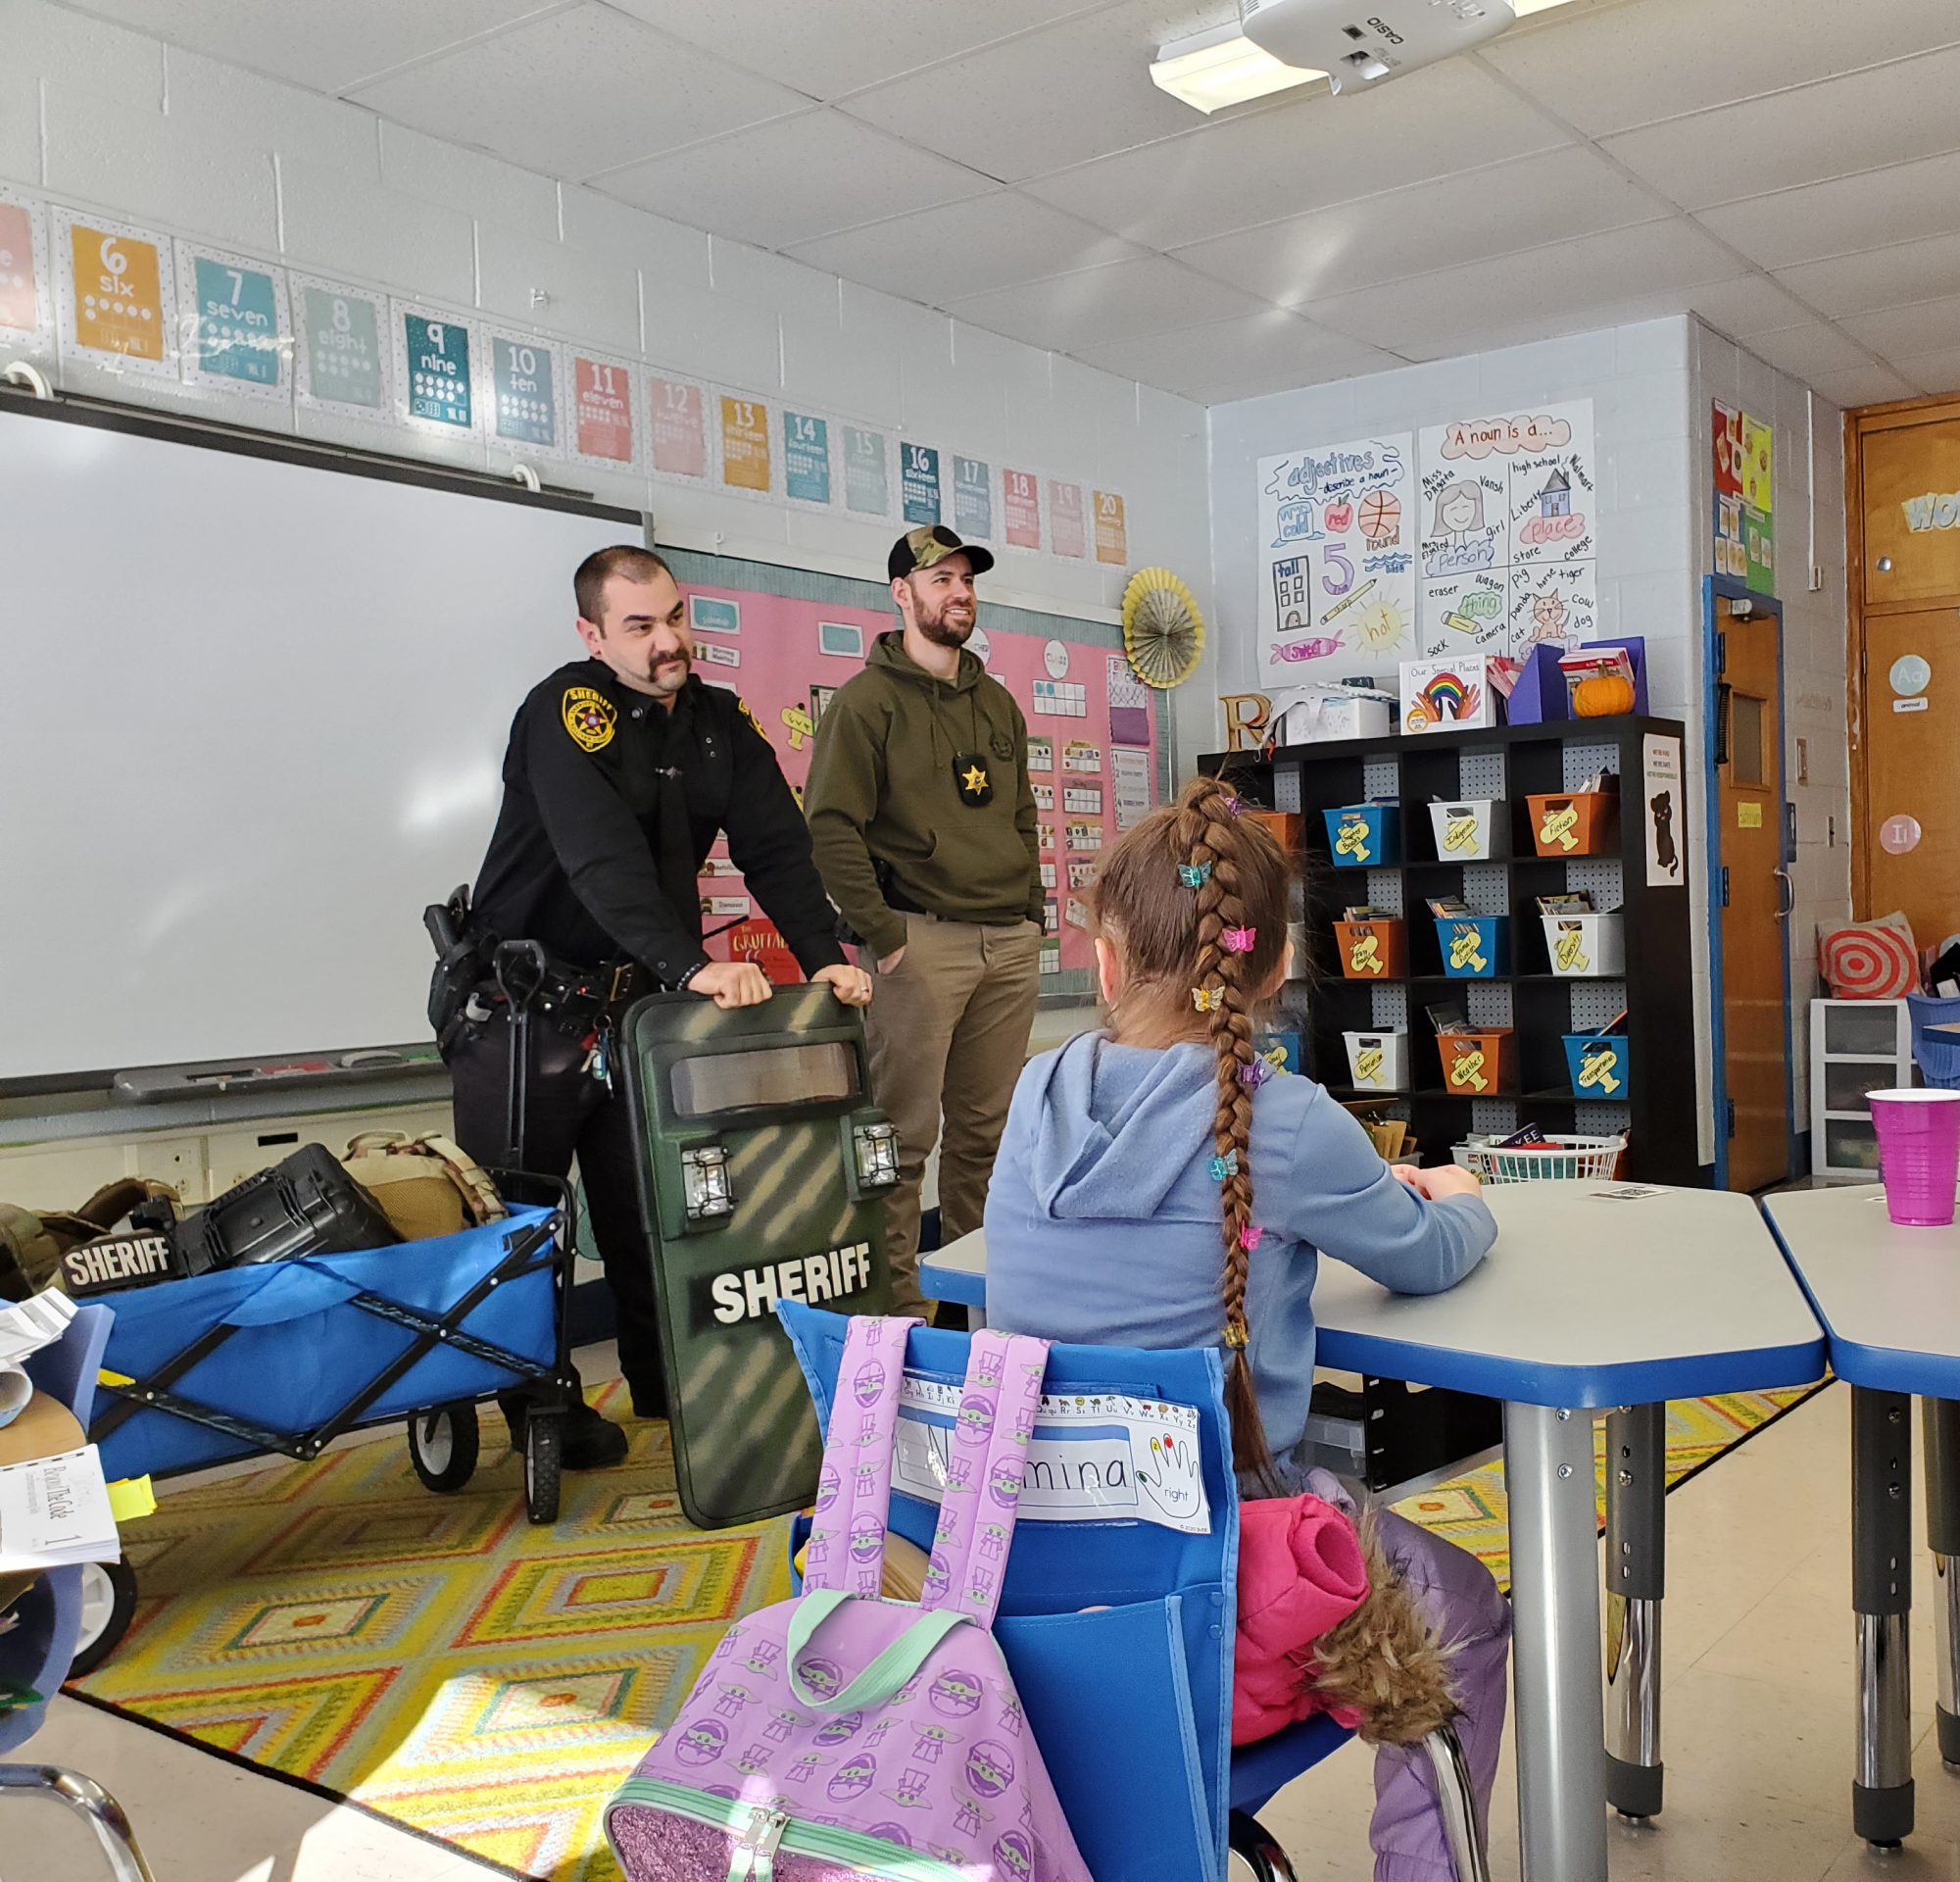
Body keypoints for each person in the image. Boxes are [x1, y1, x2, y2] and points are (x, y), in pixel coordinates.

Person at [983, 774, 1510, 1882]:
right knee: (1463, 1609)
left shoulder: (1032, 1096)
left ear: (1105, 961)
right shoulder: (1284, 1117)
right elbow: (1420, 1260)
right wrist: (1460, 1199)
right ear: (1274, 968)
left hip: (1024, 1598)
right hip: (1211, 1593)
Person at [445, 545, 871, 1467]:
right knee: (524, 1218)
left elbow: (777, 851)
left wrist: (824, 960)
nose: (667, 640)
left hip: (636, 1010)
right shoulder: (567, 713)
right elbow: (601, 859)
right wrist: (691, 968)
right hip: (525, 1006)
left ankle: (664, 1377)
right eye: (639, 626)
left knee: (656, 1203)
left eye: (674, 617)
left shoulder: (717, 723)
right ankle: (537, 1411)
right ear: (592, 635)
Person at [804, 524, 1044, 1318]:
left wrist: (1033, 915)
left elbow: (1021, 815)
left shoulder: (996, 700)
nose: (958, 592)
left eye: (966, 578)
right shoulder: (865, 704)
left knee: (988, 1143)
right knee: (904, 1145)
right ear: (902, 593)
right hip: (919, 941)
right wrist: (885, 935)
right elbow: (831, 825)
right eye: (938, 579)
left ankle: (984, 1317)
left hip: (1006, 942)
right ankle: (903, 1325)